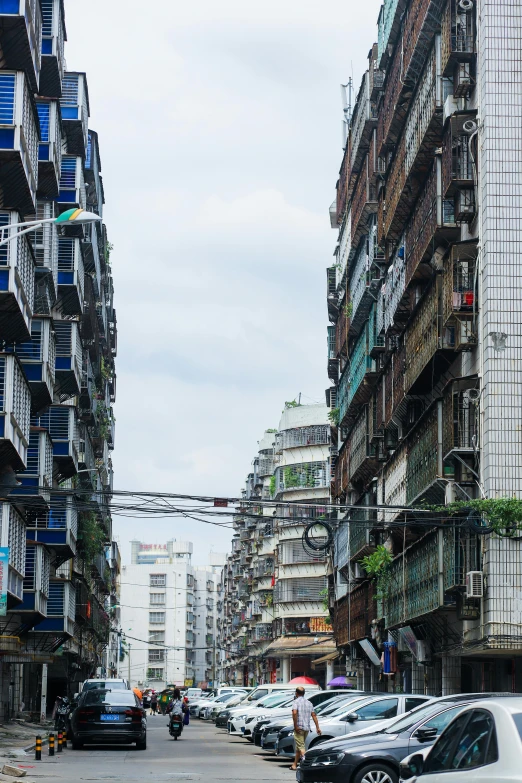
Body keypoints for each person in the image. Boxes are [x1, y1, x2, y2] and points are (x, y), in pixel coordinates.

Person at [290, 686, 321, 771]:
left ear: (296, 693)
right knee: (299, 746)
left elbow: (294, 713)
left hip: (299, 728)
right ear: (304, 694)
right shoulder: (309, 703)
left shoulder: (295, 702)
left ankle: (306, 765)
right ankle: (294, 764)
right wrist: (318, 727)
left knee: (301, 747)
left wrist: (295, 726)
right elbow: (314, 715)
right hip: (306, 728)